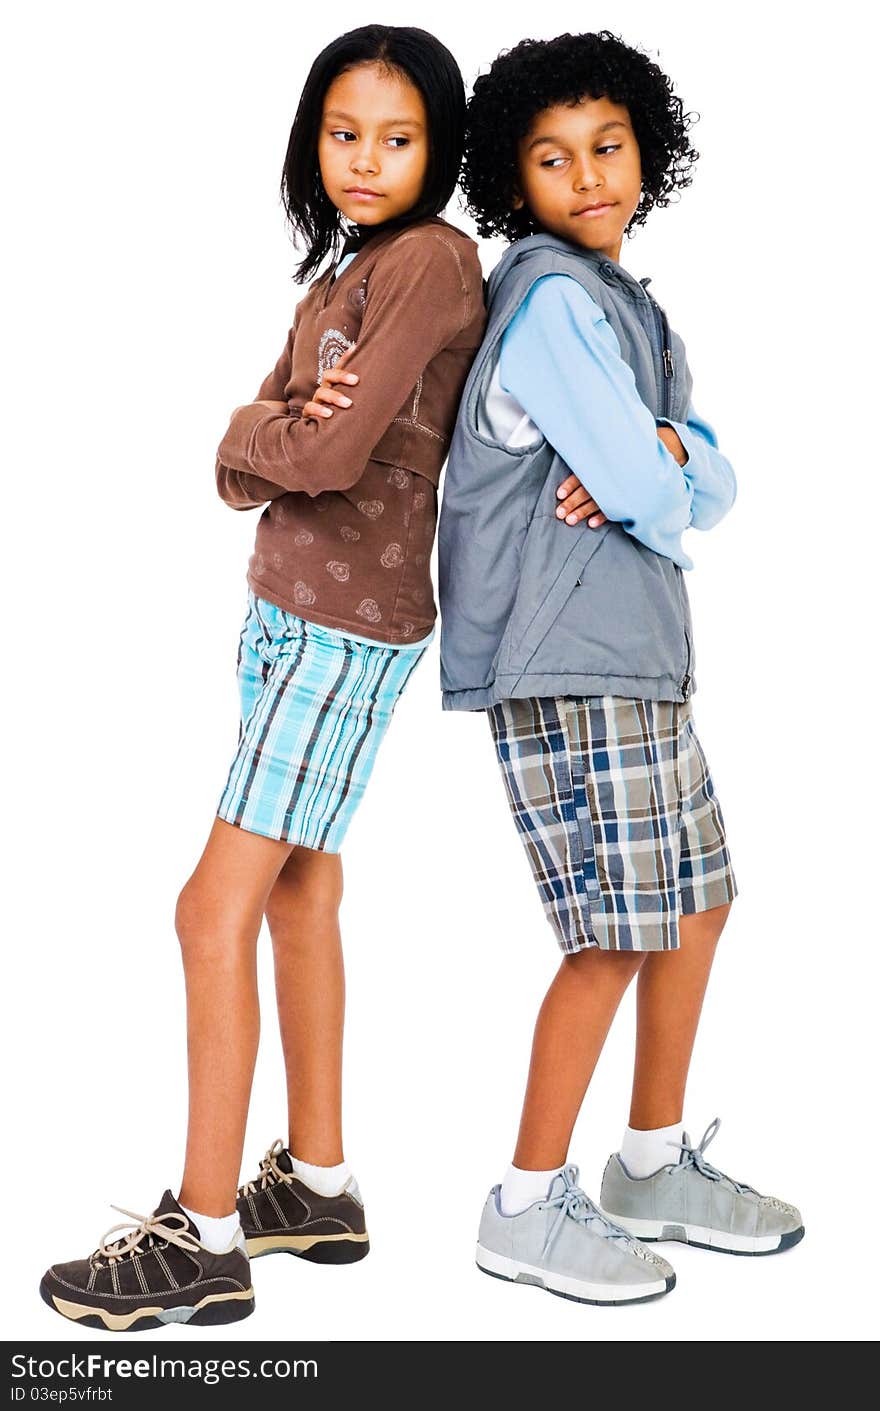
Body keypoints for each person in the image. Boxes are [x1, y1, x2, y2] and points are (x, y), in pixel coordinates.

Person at [40, 23, 485, 1331]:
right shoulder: (354, 268)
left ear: (440, 148)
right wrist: (265, 434)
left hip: (342, 621)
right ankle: (320, 1185)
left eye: (396, 137)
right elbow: (260, 441)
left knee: (206, 904)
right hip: (301, 614)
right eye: (343, 132)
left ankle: (206, 1231)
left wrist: (268, 432)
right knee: (299, 885)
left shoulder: (429, 263)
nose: (365, 158)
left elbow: (322, 446)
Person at [438, 29, 802, 1308]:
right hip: (571, 661)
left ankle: (650, 1161)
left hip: (637, 656)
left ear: (648, 151)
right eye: (552, 158)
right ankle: (525, 1203)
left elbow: (706, 478)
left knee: (694, 906)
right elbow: (665, 481)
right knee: (613, 931)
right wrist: (659, 469)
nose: (588, 176)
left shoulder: (623, 303)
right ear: (511, 179)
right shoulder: (544, 300)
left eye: (608, 148)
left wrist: (662, 464)